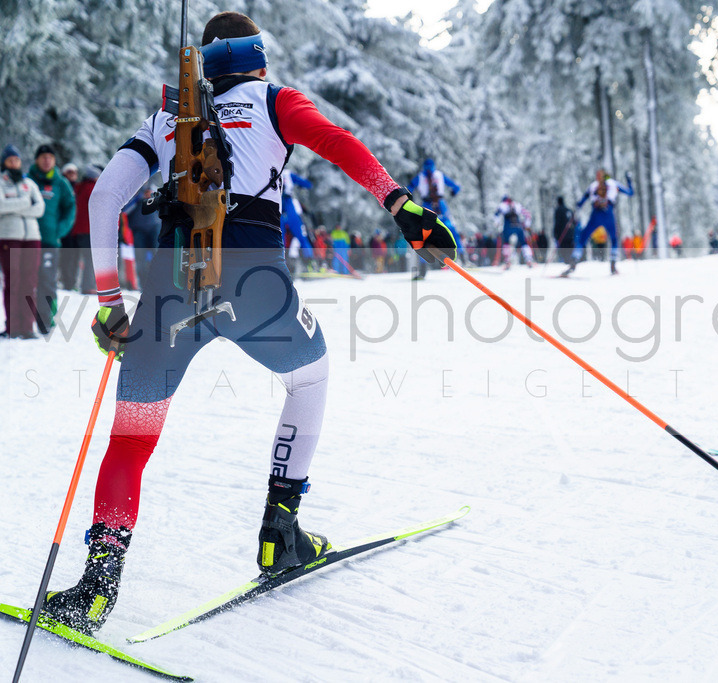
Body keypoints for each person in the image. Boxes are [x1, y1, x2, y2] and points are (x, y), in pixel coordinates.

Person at [42, 10, 456, 636]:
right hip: (254, 288)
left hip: (169, 294)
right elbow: (338, 143)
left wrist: (107, 303)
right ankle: (279, 533)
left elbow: (104, 197)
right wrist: (399, 203)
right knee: (310, 377)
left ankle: (97, 588)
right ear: (257, 57)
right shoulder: (273, 99)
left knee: (130, 440)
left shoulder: (167, 120)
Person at [27, 144, 76, 334]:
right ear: (37, 160)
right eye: (43, 157)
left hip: (50, 241)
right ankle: (24, 320)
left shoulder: (61, 183)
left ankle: (45, 320)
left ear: (54, 161)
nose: (47, 160)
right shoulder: (28, 180)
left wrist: (59, 230)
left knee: (47, 281)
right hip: (28, 240)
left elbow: (70, 208)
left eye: (50, 157)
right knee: (26, 281)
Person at [1, 144, 45, 338]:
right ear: (4, 162)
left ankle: (27, 327)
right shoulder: (1, 182)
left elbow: (40, 208)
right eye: (10, 160)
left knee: (29, 282)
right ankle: (12, 327)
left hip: (32, 238)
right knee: (13, 281)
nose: (14, 163)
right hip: (10, 237)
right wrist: (27, 204)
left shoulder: (30, 183)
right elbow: (1, 205)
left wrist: (15, 207)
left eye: (17, 160)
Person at [560, 168, 634, 276]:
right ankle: (613, 265)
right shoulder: (614, 184)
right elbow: (630, 192)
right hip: (608, 213)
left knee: (582, 238)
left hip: (596, 214)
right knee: (614, 239)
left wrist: (577, 206)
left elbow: (581, 203)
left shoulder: (593, 185)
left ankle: (573, 262)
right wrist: (629, 180)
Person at [408, 158, 461, 279]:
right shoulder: (439, 175)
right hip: (440, 206)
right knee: (451, 230)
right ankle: (461, 258)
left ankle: (423, 270)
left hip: (427, 206)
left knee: (424, 235)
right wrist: (453, 192)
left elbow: (409, 190)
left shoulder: (420, 176)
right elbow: (456, 187)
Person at [61, 164, 100, 293]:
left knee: (75, 258)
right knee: (90, 258)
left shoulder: (79, 187)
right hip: (89, 229)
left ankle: (71, 283)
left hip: (77, 229)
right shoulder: (93, 188)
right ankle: (88, 286)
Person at [494, 195, 534, 269]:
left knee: (506, 243)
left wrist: (497, 224)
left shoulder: (502, 205)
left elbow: (496, 214)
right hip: (518, 226)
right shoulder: (517, 205)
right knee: (523, 243)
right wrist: (527, 224)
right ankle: (529, 259)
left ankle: (507, 261)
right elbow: (527, 214)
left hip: (508, 227)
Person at [553, 196, 575, 263]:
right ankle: (571, 261)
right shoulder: (569, 210)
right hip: (571, 234)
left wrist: (555, 234)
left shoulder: (558, 210)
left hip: (563, 234)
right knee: (570, 249)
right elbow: (573, 222)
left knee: (564, 250)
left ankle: (567, 262)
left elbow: (557, 222)